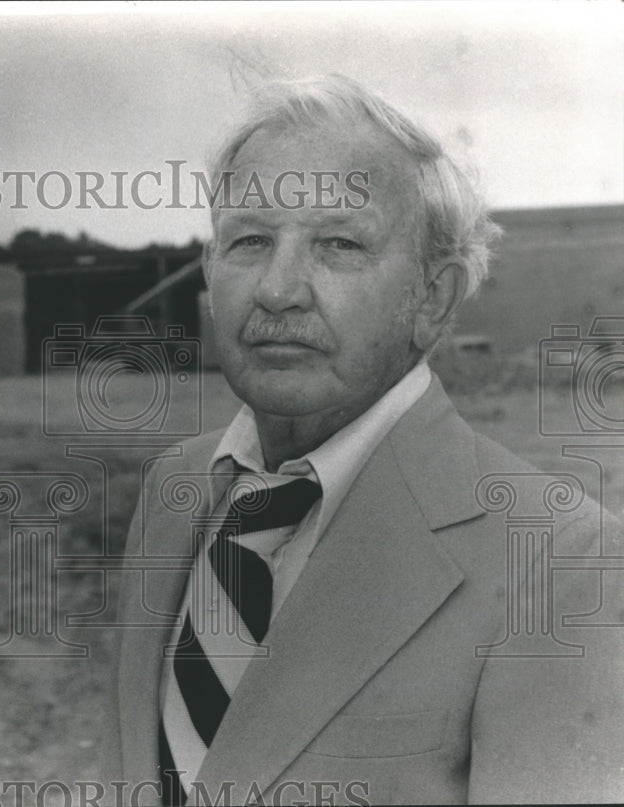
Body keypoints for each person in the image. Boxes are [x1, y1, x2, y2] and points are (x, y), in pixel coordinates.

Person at [104, 75, 624, 805]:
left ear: (433, 299)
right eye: (249, 239)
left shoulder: (562, 560)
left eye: (339, 244)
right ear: (212, 268)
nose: (278, 289)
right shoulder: (172, 489)